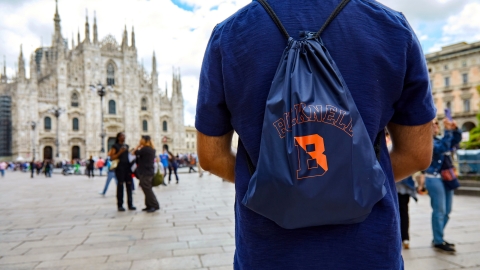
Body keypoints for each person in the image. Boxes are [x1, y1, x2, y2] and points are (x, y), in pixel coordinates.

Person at [196, 0, 435, 268]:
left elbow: (210, 157)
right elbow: (416, 154)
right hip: (369, 252)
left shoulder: (228, 36)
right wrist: (347, 182)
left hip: (267, 254)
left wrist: (278, 185)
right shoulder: (391, 27)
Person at [424, 119, 462, 253]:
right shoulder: (427, 141)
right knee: (439, 211)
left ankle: (437, 237)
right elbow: (442, 148)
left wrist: (454, 129)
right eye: (432, 123)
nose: (435, 125)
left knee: (447, 212)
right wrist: (448, 131)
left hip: (447, 178)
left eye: (436, 123)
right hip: (434, 178)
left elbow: (455, 142)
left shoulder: (441, 138)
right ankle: (438, 241)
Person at [108, 132, 136, 211]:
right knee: (120, 186)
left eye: (124, 136)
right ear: (118, 137)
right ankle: (120, 205)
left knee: (129, 186)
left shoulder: (126, 146)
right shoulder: (115, 146)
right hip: (120, 168)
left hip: (127, 168)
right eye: (122, 136)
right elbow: (112, 157)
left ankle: (130, 204)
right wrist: (120, 152)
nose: (124, 137)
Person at [132, 135, 160, 213]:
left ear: (145, 141)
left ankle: (154, 205)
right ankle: (149, 205)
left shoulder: (145, 149)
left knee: (147, 188)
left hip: (145, 172)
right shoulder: (151, 149)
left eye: (141, 139)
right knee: (146, 188)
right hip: (148, 171)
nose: (140, 140)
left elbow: (133, 153)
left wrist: (137, 146)